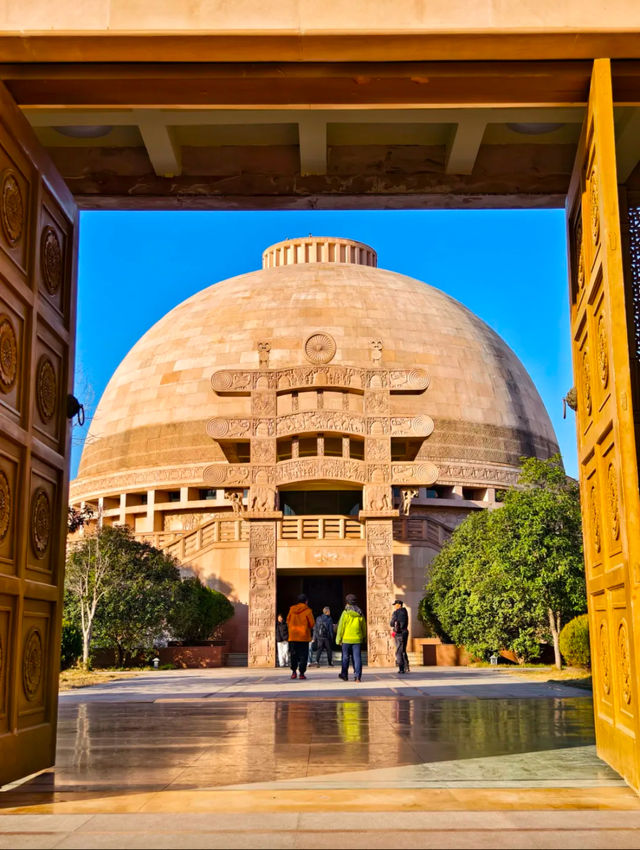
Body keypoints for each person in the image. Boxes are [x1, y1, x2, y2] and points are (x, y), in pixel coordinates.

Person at [336, 594, 367, 682]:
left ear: (347, 602)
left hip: (346, 639)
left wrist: (338, 639)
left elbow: (341, 627)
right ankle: (357, 676)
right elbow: (363, 626)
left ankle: (344, 675)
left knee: (345, 657)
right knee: (357, 658)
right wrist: (364, 637)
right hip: (357, 639)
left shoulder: (345, 613)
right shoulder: (360, 613)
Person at [286, 593, 315, 679]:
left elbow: (287, 621)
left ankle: (293, 672)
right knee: (303, 656)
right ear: (306, 602)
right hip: (303, 637)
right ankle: (301, 673)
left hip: (293, 637)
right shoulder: (308, 611)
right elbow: (312, 624)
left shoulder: (291, 610)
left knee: (293, 655)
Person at [390, 599, 410, 674]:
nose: (394, 606)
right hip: (405, 632)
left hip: (399, 633)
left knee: (398, 651)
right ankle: (406, 666)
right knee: (403, 649)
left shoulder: (396, 612)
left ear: (399, 605)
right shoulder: (405, 611)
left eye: (395, 605)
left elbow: (391, 623)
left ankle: (401, 668)